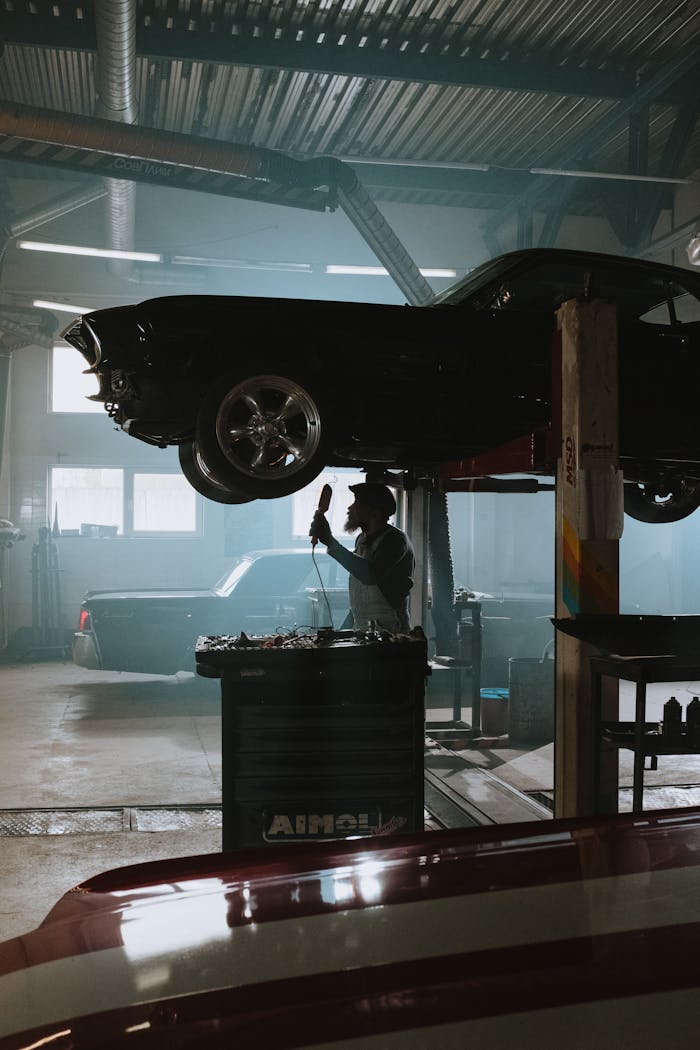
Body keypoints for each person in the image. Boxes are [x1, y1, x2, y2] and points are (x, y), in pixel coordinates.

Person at [309, 482, 415, 633]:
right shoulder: (361, 540)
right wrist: (340, 635)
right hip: (364, 634)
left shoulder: (395, 540)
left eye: (356, 503)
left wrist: (331, 542)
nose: (349, 508)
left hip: (391, 636)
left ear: (374, 512)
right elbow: (362, 603)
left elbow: (371, 575)